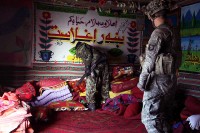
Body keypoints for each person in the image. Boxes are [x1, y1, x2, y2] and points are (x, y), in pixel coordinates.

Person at [137, 0, 181, 132]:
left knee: (149, 118)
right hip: (171, 79)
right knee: (164, 116)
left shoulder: (158, 33)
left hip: (157, 80)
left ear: (151, 16)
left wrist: (142, 81)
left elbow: (150, 61)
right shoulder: (174, 32)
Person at [75, 42, 110, 111]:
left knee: (91, 83)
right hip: (103, 63)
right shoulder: (92, 49)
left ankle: (91, 104)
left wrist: (87, 67)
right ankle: (105, 102)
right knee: (104, 82)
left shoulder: (82, 46)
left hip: (96, 64)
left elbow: (88, 56)